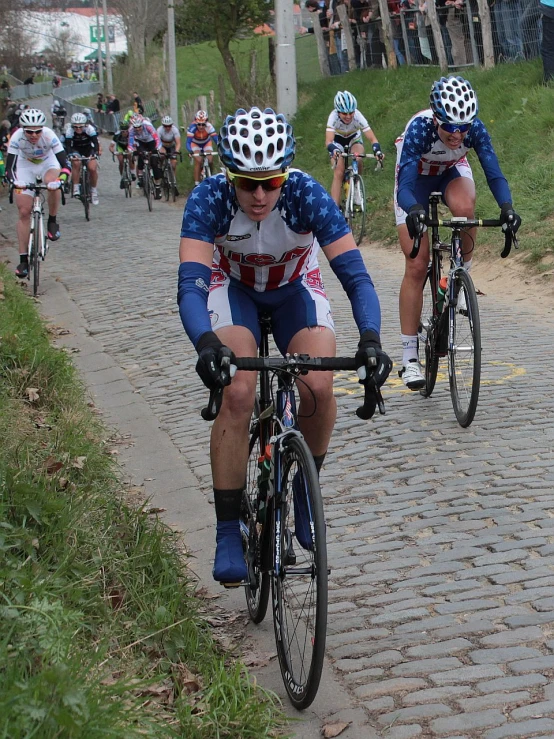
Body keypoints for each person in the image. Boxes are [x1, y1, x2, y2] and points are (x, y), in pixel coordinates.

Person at [177, 106, 392, 584]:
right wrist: (206, 343)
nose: (258, 195)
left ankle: (302, 492)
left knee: (319, 384)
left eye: (270, 183)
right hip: (233, 290)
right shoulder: (208, 198)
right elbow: (191, 285)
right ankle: (228, 530)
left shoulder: (306, 195)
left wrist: (372, 339)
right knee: (237, 391)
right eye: (247, 183)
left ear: (285, 175)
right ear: (228, 174)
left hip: (296, 289)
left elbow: (356, 279)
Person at [394, 75, 521, 389]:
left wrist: (507, 207)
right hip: (416, 182)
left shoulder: (472, 129)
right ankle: (409, 357)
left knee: (465, 208)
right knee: (416, 263)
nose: (457, 133)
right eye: (450, 127)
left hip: (450, 172)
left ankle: (460, 271)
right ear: (436, 118)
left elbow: (493, 172)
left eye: (463, 127)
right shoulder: (419, 130)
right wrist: (413, 209)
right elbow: (405, 187)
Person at [5, 109, 70, 278]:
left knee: (52, 184)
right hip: (25, 165)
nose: (34, 135)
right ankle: (23, 259)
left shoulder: (49, 136)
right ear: (23, 129)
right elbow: (9, 169)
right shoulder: (17, 137)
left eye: (37, 131)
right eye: (29, 131)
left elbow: (66, 165)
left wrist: (61, 180)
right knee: (24, 211)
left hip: (48, 163)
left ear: (42, 129)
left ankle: (53, 221)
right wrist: (14, 181)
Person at [325, 91, 384, 209]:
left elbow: (372, 139)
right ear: (338, 111)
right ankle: (334, 211)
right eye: (344, 113)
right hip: (337, 143)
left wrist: (377, 151)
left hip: (354, 140)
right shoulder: (333, 117)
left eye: (351, 113)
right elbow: (328, 141)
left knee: (358, 157)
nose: (348, 116)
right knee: (339, 172)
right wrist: (334, 151)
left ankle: (357, 185)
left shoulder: (358, 116)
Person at [65, 111, 101, 205]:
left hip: (88, 149)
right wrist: (69, 155)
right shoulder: (69, 130)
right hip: (76, 149)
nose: (78, 129)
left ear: (85, 125)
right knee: (76, 163)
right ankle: (76, 187)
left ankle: (94, 191)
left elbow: (96, 142)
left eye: (80, 126)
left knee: (92, 168)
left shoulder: (90, 129)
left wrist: (96, 152)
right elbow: (68, 145)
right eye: (75, 127)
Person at [128, 113, 163, 199]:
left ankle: (157, 187)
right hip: (141, 142)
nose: (138, 129)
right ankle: (140, 178)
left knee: (154, 163)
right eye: (136, 127)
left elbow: (157, 139)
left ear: (142, 124)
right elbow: (130, 143)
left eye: (139, 127)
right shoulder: (131, 130)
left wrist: (157, 148)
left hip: (151, 141)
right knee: (140, 156)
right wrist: (132, 150)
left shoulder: (148, 125)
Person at [186, 110, 218, 185]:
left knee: (210, 159)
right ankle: (196, 184)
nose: (201, 126)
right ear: (196, 122)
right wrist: (190, 151)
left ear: (206, 122)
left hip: (206, 143)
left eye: (203, 124)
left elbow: (216, 139)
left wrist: (220, 147)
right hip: (195, 144)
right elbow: (188, 142)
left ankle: (210, 173)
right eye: (199, 124)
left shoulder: (209, 127)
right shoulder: (192, 128)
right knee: (199, 160)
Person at [157, 115, 181, 194]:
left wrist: (176, 151)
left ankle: (174, 183)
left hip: (171, 146)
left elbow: (178, 143)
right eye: (165, 126)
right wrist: (161, 149)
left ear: (172, 125)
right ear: (163, 125)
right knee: (162, 156)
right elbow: (157, 142)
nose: (167, 128)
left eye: (169, 126)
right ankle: (160, 170)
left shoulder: (175, 130)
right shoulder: (159, 130)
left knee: (173, 164)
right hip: (162, 145)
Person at [109, 120, 136, 188]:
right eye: (123, 131)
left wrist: (134, 150)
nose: (125, 133)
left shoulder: (131, 133)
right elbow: (111, 146)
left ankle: (132, 173)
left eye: (126, 131)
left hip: (129, 147)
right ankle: (122, 178)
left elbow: (135, 144)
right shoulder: (117, 135)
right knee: (121, 161)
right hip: (120, 148)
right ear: (120, 131)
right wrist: (114, 152)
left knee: (130, 156)